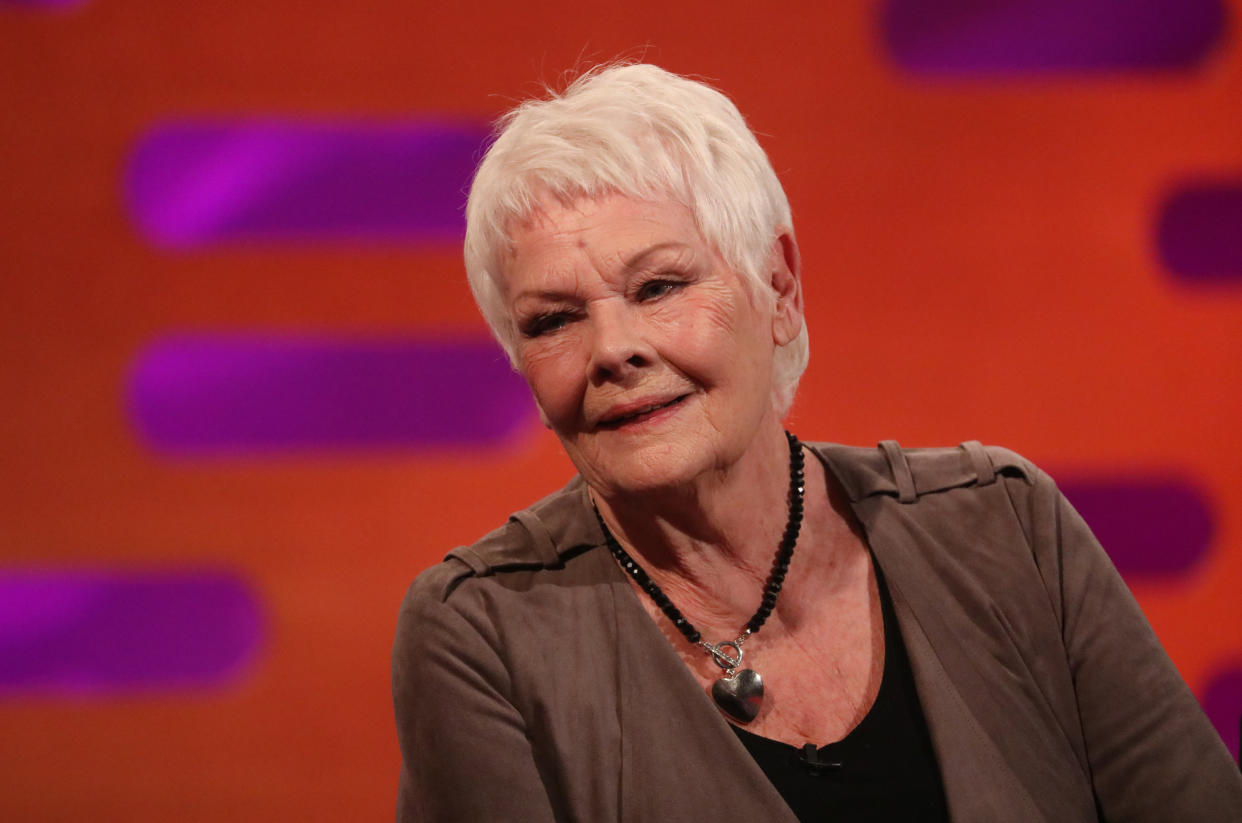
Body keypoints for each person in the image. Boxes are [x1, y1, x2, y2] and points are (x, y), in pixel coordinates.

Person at [391, 63, 1242, 822]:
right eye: (554, 320)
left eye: (658, 286)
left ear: (779, 286)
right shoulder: (481, 636)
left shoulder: (1007, 529)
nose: (613, 350)